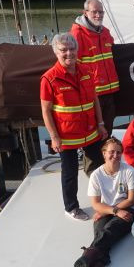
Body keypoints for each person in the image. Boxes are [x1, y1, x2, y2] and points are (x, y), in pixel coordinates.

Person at [40, 32, 108, 221]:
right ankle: (71, 208)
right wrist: (54, 137)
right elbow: (46, 111)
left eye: (72, 49)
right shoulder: (49, 79)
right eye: (63, 50)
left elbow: (94, 100)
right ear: (56, 52)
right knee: (70, 173)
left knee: (99, 167)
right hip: (67, 136)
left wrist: (101, 124)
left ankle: (104, 200)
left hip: (90, 131)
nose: (68, 53)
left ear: (77, 50)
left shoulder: (86, 70)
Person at [70, 137, 134, 267]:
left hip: (127, 209)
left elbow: (132, 199)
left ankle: (83, 262)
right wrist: (112, 211)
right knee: (100, 233)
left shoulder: (129, 171)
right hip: (107, 210)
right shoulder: (96, 175)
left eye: (118, 152)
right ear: (104, 153)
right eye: (111, 152)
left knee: (109, 230)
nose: (115, 155)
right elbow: (95, 203)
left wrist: (114, 211)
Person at [70, 0, 118, 164]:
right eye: (94, 12)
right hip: (92, 95)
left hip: (109, 92)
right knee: (92, 136)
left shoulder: (105, 32)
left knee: (106, 133)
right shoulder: (77, 33)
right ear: (85, 13)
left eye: (101, 12)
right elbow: (73, 66)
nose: (98, 15)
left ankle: (105, 167)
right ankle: (92, 170)